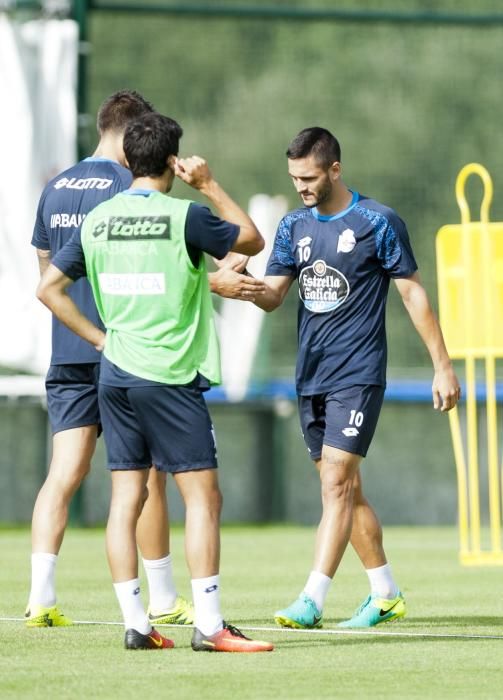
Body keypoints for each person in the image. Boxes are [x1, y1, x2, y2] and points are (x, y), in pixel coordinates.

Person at [37, 112, 274, 652]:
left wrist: (99, 339)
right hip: (167, 375)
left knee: (126, 499)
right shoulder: (182, 216)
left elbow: (49, 289)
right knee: (203, 498)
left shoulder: (98, 220)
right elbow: (252, 240)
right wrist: (209, 184)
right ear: (172, 161)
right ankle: (210, 626)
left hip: (115, 375)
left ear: (128, 158)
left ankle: (138, 625)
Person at [249, 127, 461, 629]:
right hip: (311, 376)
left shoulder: (378, 222)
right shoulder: (292, 226)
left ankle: (311, 600)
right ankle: (385, 593)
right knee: (343, 488)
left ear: (335, 170)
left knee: (337, 485)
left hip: (358, 373)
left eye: (309, 176)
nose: (301, 186)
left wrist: (442, 365)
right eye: (294, 177)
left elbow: (412, 295)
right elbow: (274, 294)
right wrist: (231, 285)